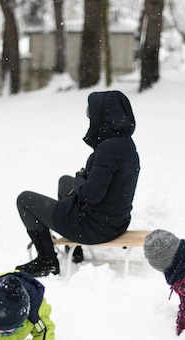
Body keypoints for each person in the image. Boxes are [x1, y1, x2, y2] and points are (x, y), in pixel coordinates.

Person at [15, 90, 140, 277]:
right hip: (116, 222)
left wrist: (81, 177)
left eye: (92, 112)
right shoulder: (125, 144)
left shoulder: (108, 149)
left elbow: (92, 194)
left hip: (94, 228)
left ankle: (47, 260)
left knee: (25, 200)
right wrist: (80, 179)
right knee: (65, 181)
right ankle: (75, 250)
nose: (90, 116)